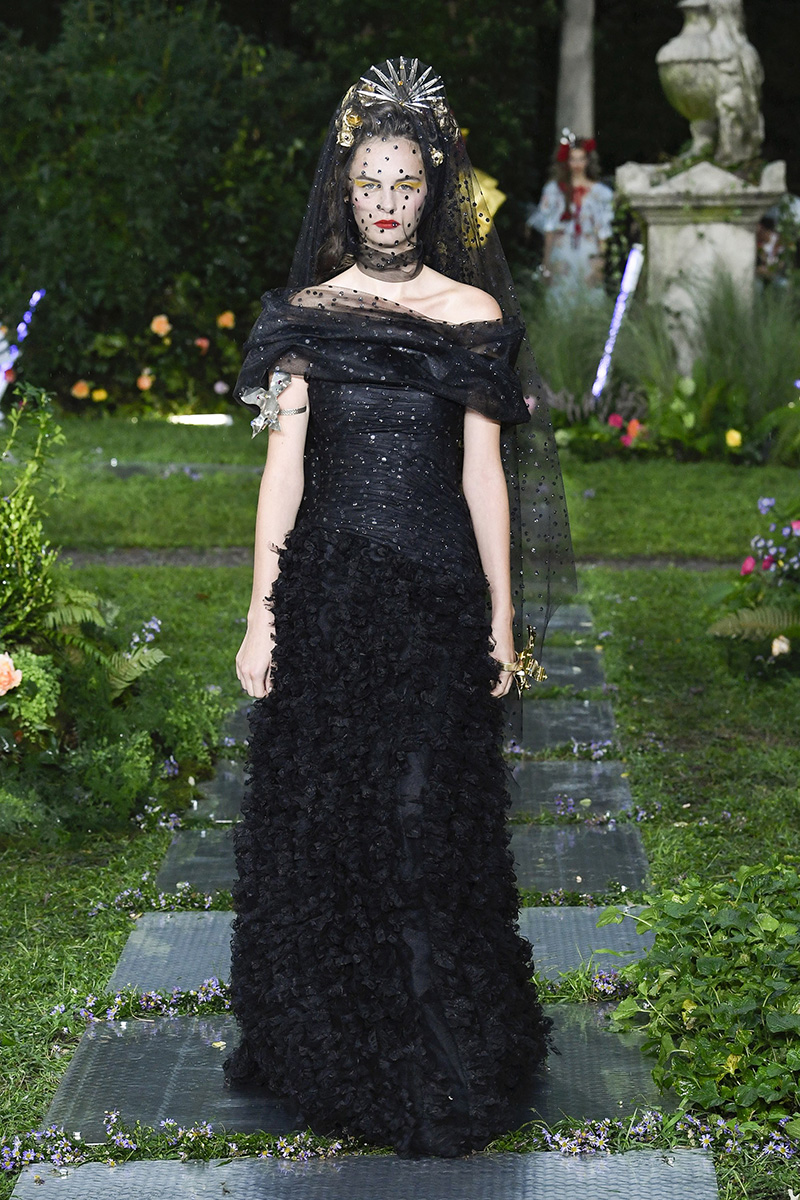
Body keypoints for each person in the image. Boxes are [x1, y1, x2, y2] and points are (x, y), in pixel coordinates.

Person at [226, 57, 574, 1158]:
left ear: (433, 192)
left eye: (404, 184)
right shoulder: (303, 316)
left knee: (426, 820)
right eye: (368, 183)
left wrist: (502, 620)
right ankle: (330, 1040)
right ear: (345, 191)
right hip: (327, 598)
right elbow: (282, 475)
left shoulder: (472, 315)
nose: (385, 202)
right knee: (330, 820)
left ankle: (437, 1046)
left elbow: (484, 477)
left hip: (434, 603)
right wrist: (260, 615)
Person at [528, 129, 614, 306]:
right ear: (566, 161)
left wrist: (601, 262)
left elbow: (603, 232)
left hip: (589, 252)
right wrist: (546, 264)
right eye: (573, 159)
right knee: (560, 298)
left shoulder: (600, 193)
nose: (577, 164)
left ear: (588, 161)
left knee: (590, 297)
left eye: (581, 159)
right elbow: (549, 231)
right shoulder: (555, 191)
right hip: (562, 252)